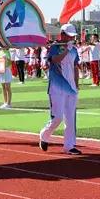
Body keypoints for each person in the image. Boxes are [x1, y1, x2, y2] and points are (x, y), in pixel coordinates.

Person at [39, 24, 81, 155]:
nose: (71, 38)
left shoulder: (73, 49)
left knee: (70, 118)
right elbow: (54, 60)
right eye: (69, 35)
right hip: (56, 88)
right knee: (57, 118)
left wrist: (76, 84)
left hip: (71, 89)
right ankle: (44, 135)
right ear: (62, 34)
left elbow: (75, 66)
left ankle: (69, 146)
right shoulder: (54, 48)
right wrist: (66, 50)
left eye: (72, 36)